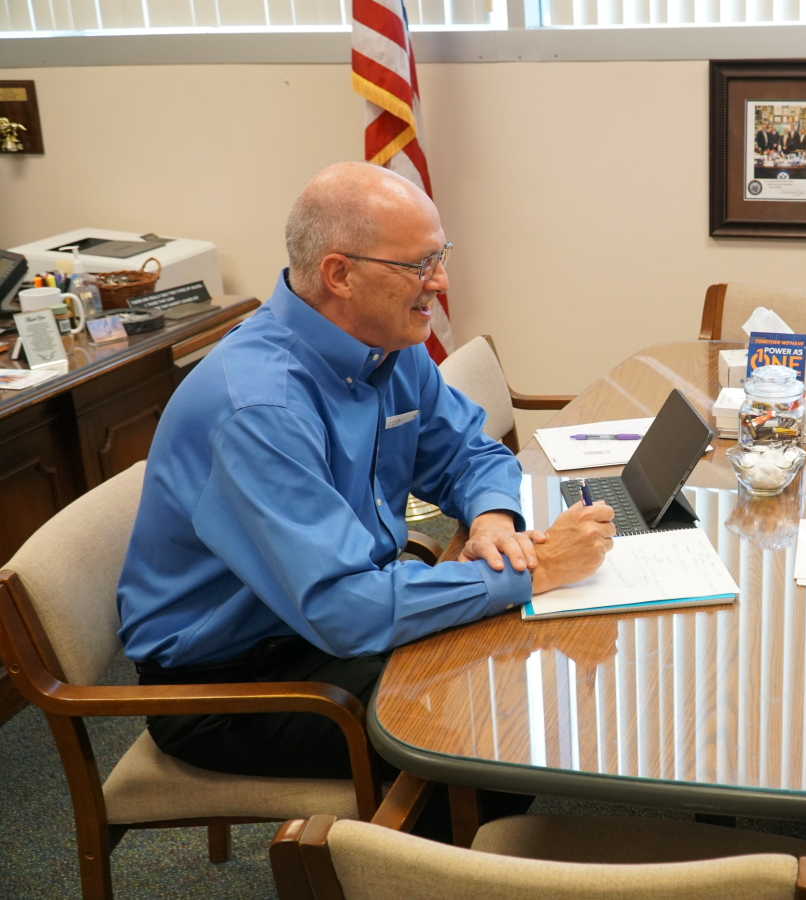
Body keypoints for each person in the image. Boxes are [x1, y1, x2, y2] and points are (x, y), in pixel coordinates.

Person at [116, 162, 616, 812]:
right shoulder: (258, 408)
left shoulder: (388, 342)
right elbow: (346, 610)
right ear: (339, 274)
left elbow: (471, 452)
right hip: (233, 682)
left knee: (512, 664)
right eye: (419, 265)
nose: (440, 282)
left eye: (441, 256)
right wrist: (535, 569)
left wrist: (492, 518)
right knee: (494, 733)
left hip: (323, 620)